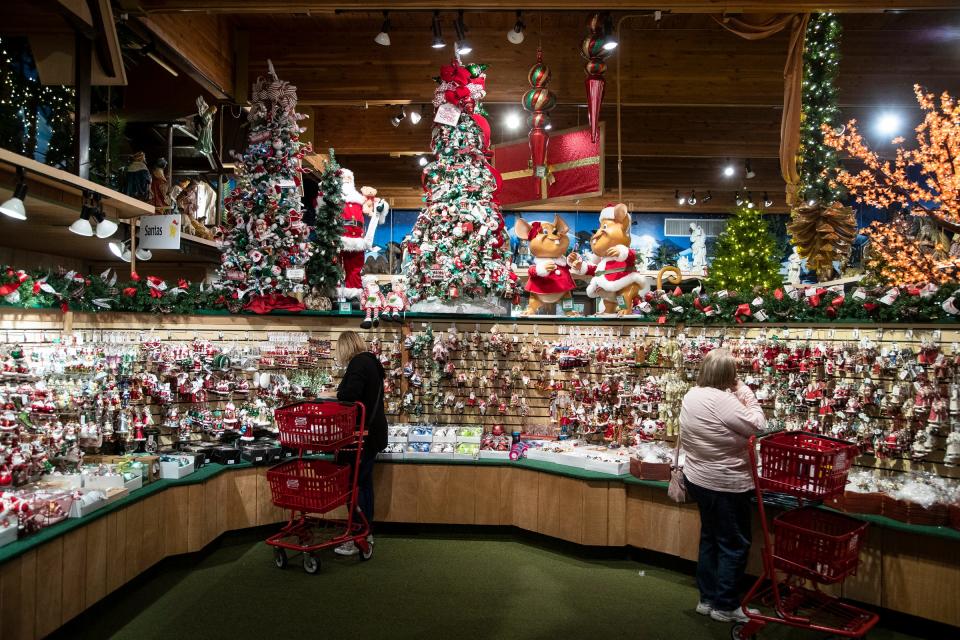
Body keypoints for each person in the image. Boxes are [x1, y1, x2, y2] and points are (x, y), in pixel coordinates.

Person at [679, 348, 766, 623]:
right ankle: (725, 605)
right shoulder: (722, 400)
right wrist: (748, 395)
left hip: (699, 478)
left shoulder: (692, 395)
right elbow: (758, 425)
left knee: (710, 538)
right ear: (729, 375)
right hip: (726, 482)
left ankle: (707, 598)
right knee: (734, 543)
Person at [332, 331, 387, 556]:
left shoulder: (357, 363)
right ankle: (365, 532)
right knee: (363, 483)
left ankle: (357, 534)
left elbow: (350, 394)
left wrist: (335, 393)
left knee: (354, 484)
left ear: (345, 347)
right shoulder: (371, 362)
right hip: (373, 434)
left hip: (361, 437)